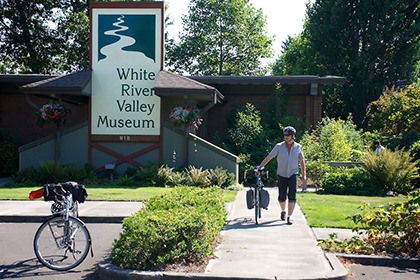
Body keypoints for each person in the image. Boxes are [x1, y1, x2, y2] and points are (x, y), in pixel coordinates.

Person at [258, 126, 306, 225]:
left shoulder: (298, 147)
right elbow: (269, 157)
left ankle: (289, 216)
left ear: (293, 136)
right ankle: (283, 211)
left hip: (293, 173)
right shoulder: (279, 146)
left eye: (288, 135)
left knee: (292, 196)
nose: (286, 137)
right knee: (281, 197)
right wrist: (260, 167)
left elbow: (301, 161)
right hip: (282, 174)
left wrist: (304, 174)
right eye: (285, 135)